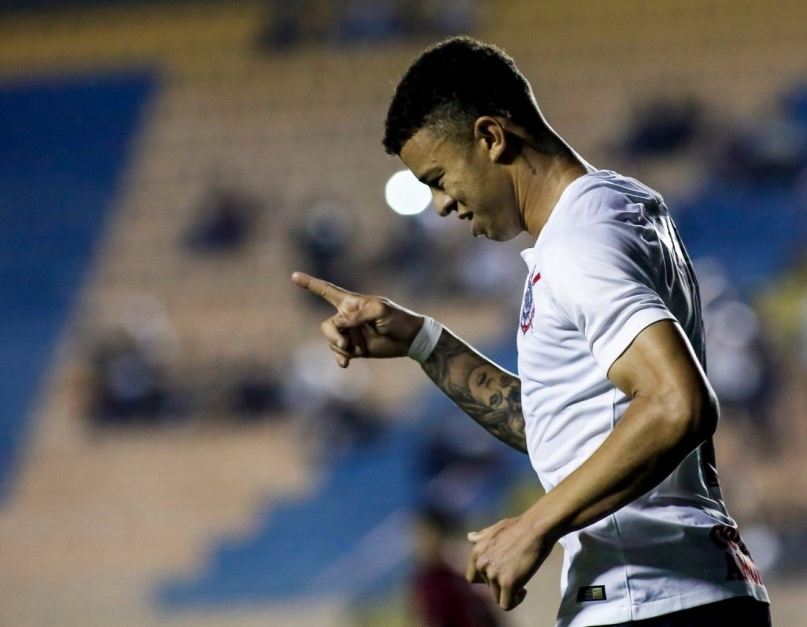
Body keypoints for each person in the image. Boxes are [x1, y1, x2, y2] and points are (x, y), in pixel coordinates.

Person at [291, 36, 771, 626]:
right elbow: (566, 427)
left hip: (649, 599)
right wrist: (424, 343)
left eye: (439, 178)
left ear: (492, 137)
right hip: (682, 591)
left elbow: (678, 404)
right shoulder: (614, 210)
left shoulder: (580, 241)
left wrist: (535, 524)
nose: (441, 205)